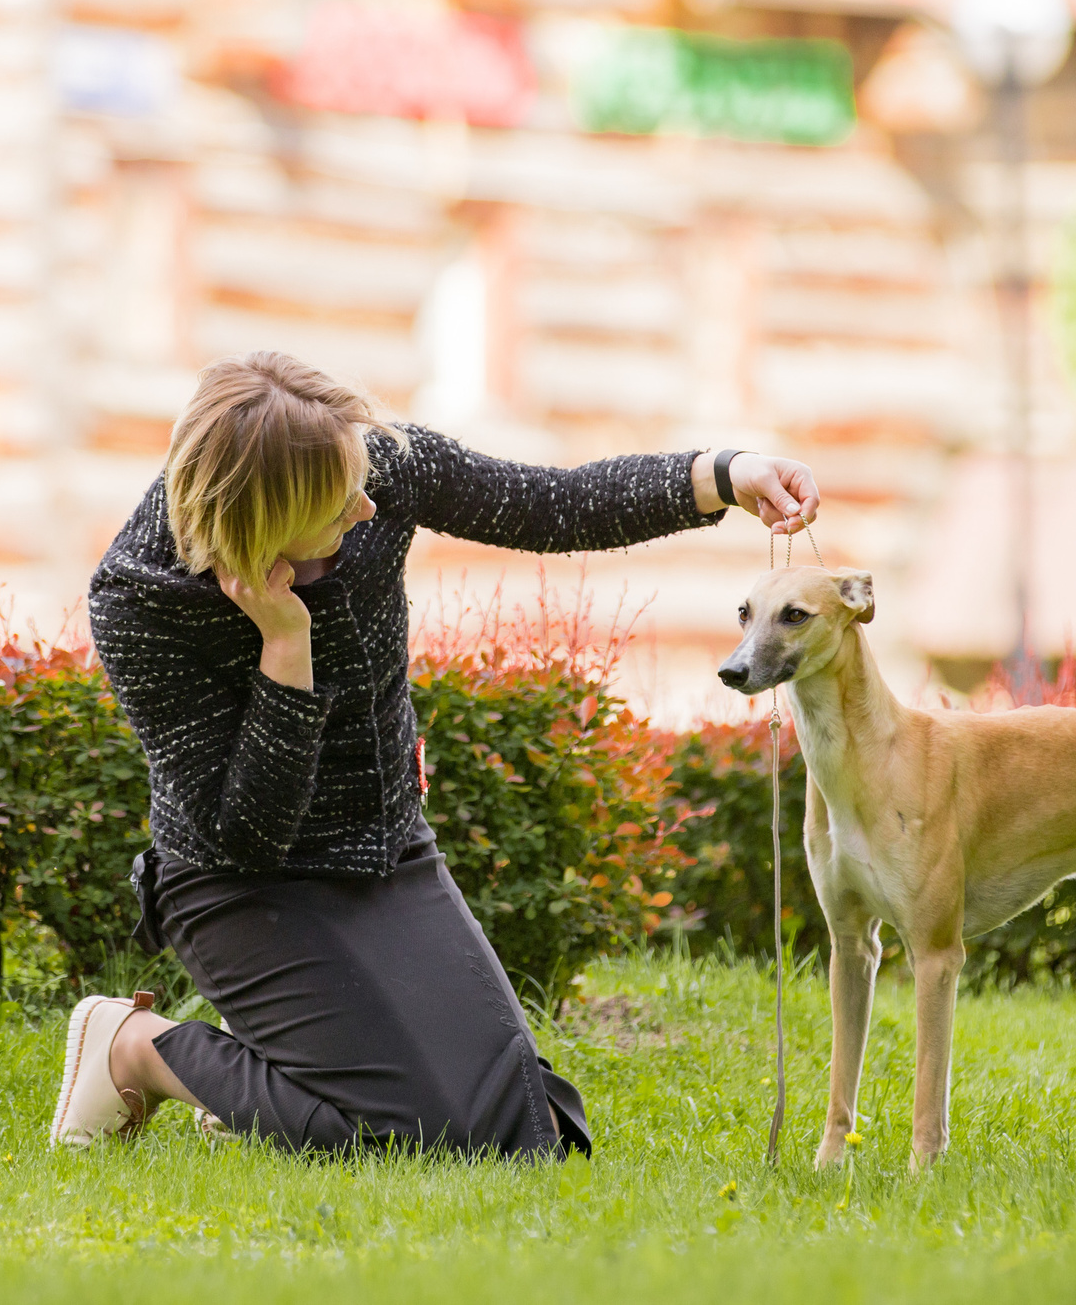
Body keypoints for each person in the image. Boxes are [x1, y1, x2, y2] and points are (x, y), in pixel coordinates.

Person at [50, 350, 820, 1156]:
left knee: (527, 1136)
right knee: (404, 1137)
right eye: (339, 501)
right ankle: (134, 1046)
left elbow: (546, 505)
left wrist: (725, 474)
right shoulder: (142, 597)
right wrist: (286, 649)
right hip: (240, 883)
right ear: (264, 518)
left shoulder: (361, 461)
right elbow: (248, 834)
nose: (367, 503)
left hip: (386, 851)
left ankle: (281, 1076)